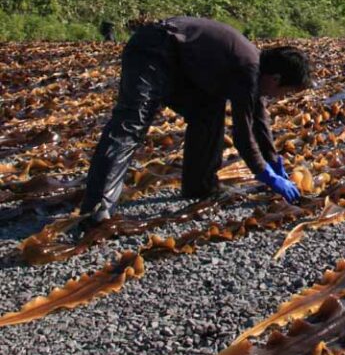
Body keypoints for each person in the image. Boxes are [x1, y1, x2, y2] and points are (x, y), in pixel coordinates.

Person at [79, 16, 311, 228]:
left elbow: (259, 122)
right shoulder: (249, 68)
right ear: (276, 78)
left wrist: (274, 162)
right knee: (131, 124)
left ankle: (199, 186)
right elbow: (243, 135)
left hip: (181, 66)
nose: (280, 97)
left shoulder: (255, 69)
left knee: (208, 112)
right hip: (153, 50)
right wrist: (266, 175)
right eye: (286, 92)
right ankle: (97, 209)